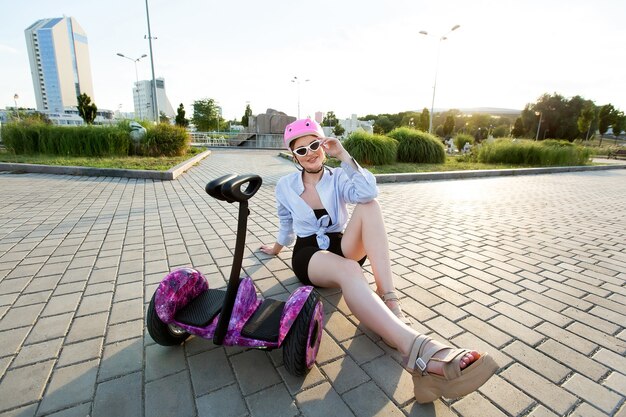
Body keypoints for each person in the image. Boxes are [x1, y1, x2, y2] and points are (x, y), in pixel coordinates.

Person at [260, 118, 497, 403]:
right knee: (349, 269)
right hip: (309, 255)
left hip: (341, 244)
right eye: (301, 150)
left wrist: (344, 156)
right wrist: (276, 248)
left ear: (323, 146)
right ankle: (419, 351)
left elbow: (368, 192)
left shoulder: (337, 177)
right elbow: (285, 222)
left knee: (370, 205)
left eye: (314, 145)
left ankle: (390, 300)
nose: (310, 153)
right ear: (293, 155)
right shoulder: (285, 186)